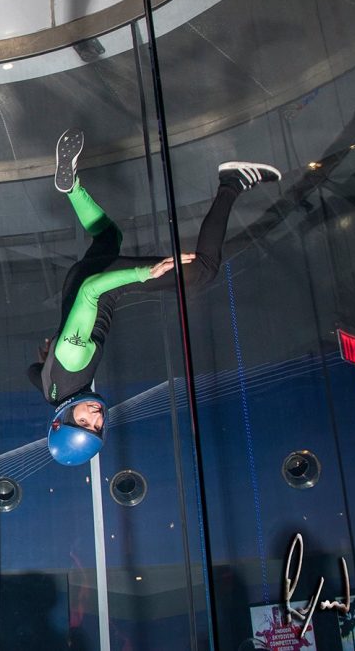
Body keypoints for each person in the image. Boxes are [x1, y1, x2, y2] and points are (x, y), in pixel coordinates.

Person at [30, 128, 281, 465]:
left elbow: (92, 292)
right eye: (97, 428)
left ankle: (232, 182)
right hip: (77, 280)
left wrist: (144, 273)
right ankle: (72, 187)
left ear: (63, 419)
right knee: (108, 235)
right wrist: (47, 358)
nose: (96, 417)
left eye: (84, 422)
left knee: (203, 271)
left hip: (100, 283)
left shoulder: (74, 361)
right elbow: (33, 372)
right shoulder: (54, 395)